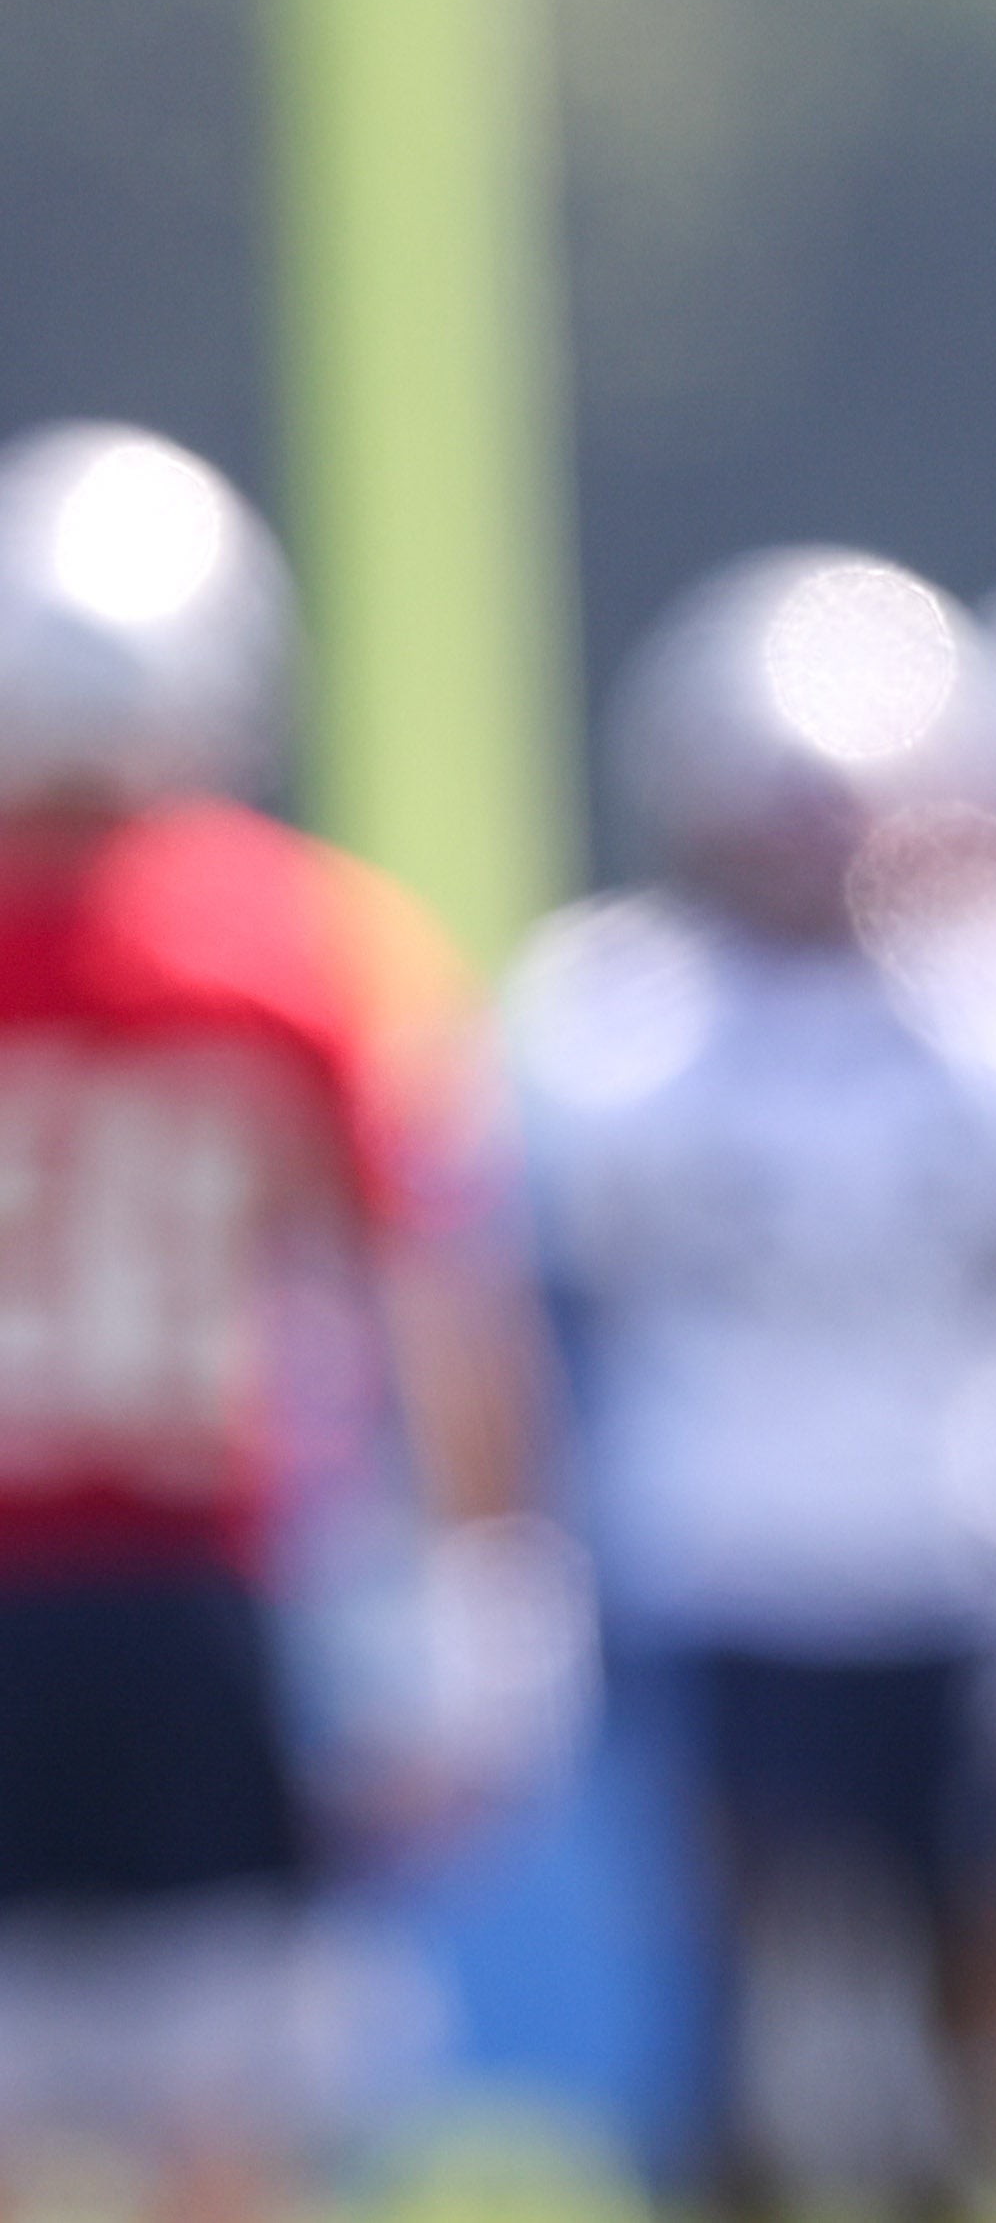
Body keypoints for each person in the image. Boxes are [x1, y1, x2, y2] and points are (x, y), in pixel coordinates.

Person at [512, 548, 996, 2215]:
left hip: (961, 1562)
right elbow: (546, 1305)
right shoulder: (611, 1015)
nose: (813, 846)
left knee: (974, 2022)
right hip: (720, 1564)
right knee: (727, 2006)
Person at [0, 422, 553, 2221]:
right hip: (192, 1596)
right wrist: (486, 1581)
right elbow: (434, 1301)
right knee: (224, 2122)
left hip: (84, 1584)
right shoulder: (301, 941)